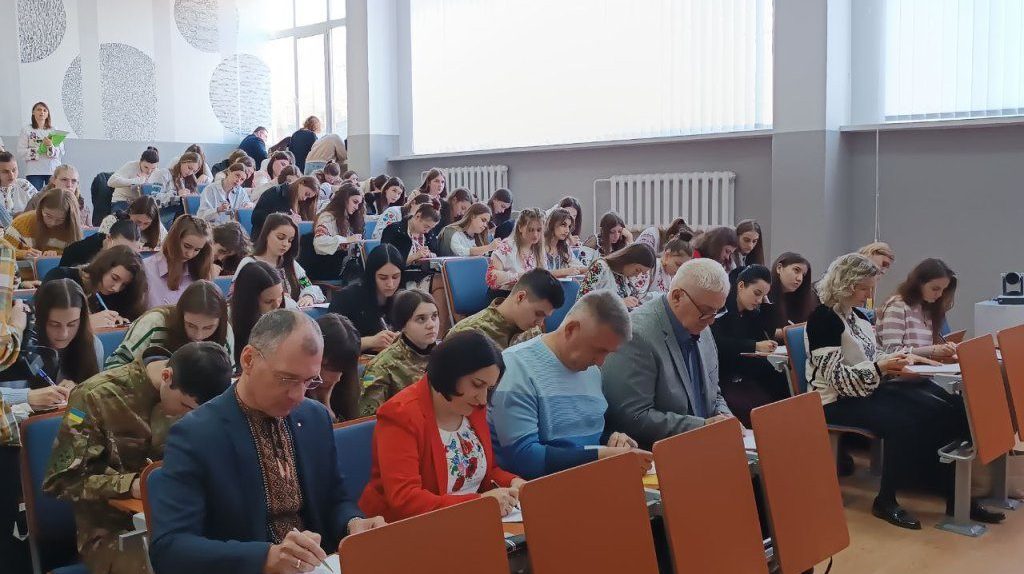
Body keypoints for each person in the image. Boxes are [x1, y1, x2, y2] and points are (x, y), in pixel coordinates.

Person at [148, 310, 385, 574]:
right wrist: (265, 558)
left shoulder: (314, 417)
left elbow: (334, 499)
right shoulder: (196, 435)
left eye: (309, 381)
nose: (298, 395)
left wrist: (352, 523)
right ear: (248, 360)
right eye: (287, 379)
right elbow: (170, 549)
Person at [806, 253, 1002, 529]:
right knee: (902, 422)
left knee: (950, 408)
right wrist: (882, 367)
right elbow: (838, 379)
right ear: (845, 285)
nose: (869, 295)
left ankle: (954, 494)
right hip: (835, 401)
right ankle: (886, 499)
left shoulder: (855, 316)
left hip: (867, 389)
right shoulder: (823, 319)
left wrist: (904, 358)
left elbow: (874, 354)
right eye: (864, 289)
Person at [44, 342, 233, 574]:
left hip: (180, 520)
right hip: (114, 533)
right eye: (185, 406)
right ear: (166, 376)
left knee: (242, 555)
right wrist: (130, 485)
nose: (188, 416)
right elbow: (60, 480)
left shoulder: (201, 399)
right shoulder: (93, 396)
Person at [361, 331, 524, 521]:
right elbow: (405, 500)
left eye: (489, 388)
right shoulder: (400, 415)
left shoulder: (473, 407)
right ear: (450, 373)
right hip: (406, 528)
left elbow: (483, 472)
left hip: (465, 521)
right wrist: (479, 503)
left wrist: (513, 482)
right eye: (477, 384)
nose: (483, 399)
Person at [489, 290, 650, 479]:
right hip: (536, 489)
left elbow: (586, 437)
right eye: (598, 350)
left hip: (588, 480)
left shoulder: (591, 371)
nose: (601, 362)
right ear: (571, 329)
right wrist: (601, 456)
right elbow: (524, 459)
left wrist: (613, 441)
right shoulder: (516, 367)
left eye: (608, 353)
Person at [601, 258, 734, 449]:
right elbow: (633, 417)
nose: (711, 321)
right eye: (706, 311)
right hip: (659, 453)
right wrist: (701, 427)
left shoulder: (701, 325)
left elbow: (713, 392)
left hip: (706, 445)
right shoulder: (637, 335)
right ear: (677, 297)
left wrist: (724, 417)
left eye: (717, 311)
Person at [710, 264, 790, 426]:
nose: (759, 300)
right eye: (757, 294)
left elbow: (766, 331)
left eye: (763, 296)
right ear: (741, 286)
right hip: (725, 375)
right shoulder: (721, 308)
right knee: (755, 405)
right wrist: (754, 346)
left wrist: (766, 305)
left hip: (747, 371)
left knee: (783, 383)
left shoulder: (751, 312)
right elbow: (717, 343)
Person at [106, 280, 233, 369]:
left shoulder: (224, 331)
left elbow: (228, 377)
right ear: (180, 316)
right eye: (190, 325)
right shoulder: (154, 323)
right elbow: (114, 366)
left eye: (208, 328)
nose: (198, 336)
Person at [359, 290, 439, 416]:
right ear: (403, 325)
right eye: (421, 319)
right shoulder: (380, 367)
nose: (431, 325)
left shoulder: (447, 356)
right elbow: (369, 419)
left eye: (434, 316)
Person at [448, 268, 563, 350]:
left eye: (545, 317)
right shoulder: (468, 334)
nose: (540, 323)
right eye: (538, 314)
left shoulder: (533, 332)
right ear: (520, 297)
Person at [44, 244, 148, 327]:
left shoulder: (121, 296)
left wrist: (120, 324)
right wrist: (86, 322)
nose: (116, 288)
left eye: (124, 284)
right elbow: (44, 319)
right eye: (114, 278)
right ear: (103, 266)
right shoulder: (61, 277)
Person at [234, 214, 326, 307]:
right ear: (266, 234)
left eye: (290, 240)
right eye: (280, 237)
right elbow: (237, 298)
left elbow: (307, 285)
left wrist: (309, 296)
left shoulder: (291, 264)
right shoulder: (249, 263)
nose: (285, 244)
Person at [23, 278, 102, 387]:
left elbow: (96, 391)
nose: (64, 334)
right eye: (54, 324)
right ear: (39, 320)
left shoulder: (93, 345)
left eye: (72, 324)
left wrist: (79, 390)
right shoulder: (23, 346)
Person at [877, 258, 958, 358]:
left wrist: (945, 349)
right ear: (918, 284)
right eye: (935, 289)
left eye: (943, 290)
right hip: (902, 367)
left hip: (923, 366)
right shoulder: (897, 305)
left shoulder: (928, 309)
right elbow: (891, 352)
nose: (940, 294)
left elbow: (924, 351)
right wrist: (932, 350)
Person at [328, 244, 402, 352]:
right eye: (383, 278)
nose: (390, 284)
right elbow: (332, 343)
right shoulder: (346, 298)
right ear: (371, 275)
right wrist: (370, 342)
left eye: (395, 277)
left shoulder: (402, 299)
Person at [142, 215, 214, 307]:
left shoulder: (199, 271)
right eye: (187, 246)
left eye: (197, 250)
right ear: (174, 239)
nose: (190, 254)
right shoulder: (145, 269)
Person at [306, 314, 362, 422]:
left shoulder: (345, 386)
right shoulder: (295, 392)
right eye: (328, 367)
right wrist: (324, 404)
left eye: (341, 370)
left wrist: (326, 401)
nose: (337, 378)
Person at [4, 188, 82, 259]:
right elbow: (4, 251)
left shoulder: (72, 228)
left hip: (57, 269)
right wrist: (24, 254)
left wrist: (57, 255)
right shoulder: (22, 222)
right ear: (40, 208)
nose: (52, 222)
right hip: (23, 269)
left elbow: (77, 257)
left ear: (69, 218)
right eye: (48, 216)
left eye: (60, 219)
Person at [486, 208, 545, 298]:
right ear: (520, 227)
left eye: (539, 230)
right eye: (530, 230)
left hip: (527, 297)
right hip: (503, 297)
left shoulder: (539, 250)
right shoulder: (506, 246)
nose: (535, 235)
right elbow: (491, 278)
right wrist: (520, 277)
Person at [578, 243, 656, 310]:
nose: (637, 275)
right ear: (629, 260)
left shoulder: (625, 277)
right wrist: (619, 302)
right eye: (637, 270)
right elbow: (582, 300)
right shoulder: (600, 267)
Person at [761, 252, 817, 340]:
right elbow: (756, 331)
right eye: (796, 270)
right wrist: (788, 332)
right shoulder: (762, 295)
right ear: (779, 268)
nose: (800, 279)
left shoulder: (804, 300)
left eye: (803, 275)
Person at [250, 175, 319, 239]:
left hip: (289, 240)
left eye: (308, 198)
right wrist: (285, 219)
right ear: (301, 183)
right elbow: (256, 218)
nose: (304, 199)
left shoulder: (303, 204)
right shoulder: (275, 193)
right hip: (265, 239)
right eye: (306, 194)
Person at [18, 102, 64, 191]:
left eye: (45, 110)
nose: (42, 112)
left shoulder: (54, 130)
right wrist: (39, 151)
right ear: (33, 112)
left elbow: (60, 151)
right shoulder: (26, 130)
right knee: (34, 196)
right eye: (39, 110)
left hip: (52, 170)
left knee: (53, 196)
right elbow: (21, 151)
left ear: (47, 114)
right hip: (34, 171)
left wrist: (50, 146)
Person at [59, 218, 141, 268]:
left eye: (130, 253)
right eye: (120, 249)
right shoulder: (77, 251)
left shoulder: (134, 262)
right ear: (108, 238)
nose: (124, 256)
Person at [380, 202, 440, 266]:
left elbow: (436, 255)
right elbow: (388, 263)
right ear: (417, 216)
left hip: (425, 271)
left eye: (431, 228)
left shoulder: (429, 234)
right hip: (400, 271)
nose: (427, 231)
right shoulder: (394, 230)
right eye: (426, 226)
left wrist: (432, 256)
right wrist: (415, 256)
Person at [98, 195, 165, 253]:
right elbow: (99, 250)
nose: (141, 227)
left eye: (146, 223)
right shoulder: (112, 220)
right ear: (130, 212)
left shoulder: (156, 226)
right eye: (138, 222)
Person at [313, 182, 364, 256]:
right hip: (327, 261)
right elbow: (319, 242)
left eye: (359, 204)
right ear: (344, 199)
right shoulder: (328, 217)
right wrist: (347, 240)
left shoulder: (347, 217)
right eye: (355, 202)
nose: (357, 207)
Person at [543, 208, 586, 277]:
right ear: (552, 224)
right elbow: (539, 274)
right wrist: (564, 272)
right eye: (563, 225)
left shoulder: (564, 247)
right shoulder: (539, 246)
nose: (567, 231)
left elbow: (576, 267)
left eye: (569, 226)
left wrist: (593, 267)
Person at [858, 242, 896, 309]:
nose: (884, 271)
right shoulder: (851, 278)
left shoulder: (871, 287)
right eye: (884, 264)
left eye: (887, 267)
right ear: (872, 253)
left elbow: (868, 308)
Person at [0, 151, 37, 216]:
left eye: (14, 170)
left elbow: (40, 204)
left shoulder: (24, 184)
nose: (12, 175)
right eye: (5, 172)